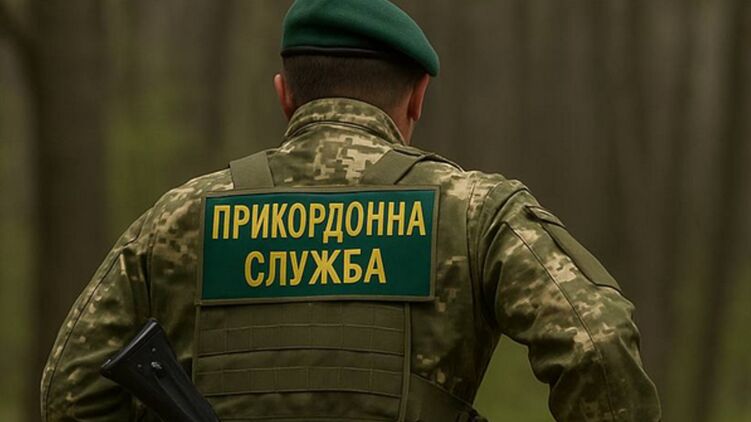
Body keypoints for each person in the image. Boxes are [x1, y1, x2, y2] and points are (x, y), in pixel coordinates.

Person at [41, 1, 662, 421]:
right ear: (417, 96)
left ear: (285, 95)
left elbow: (71, 389)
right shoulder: (475, 213)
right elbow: (599, 345)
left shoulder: (178, 219)